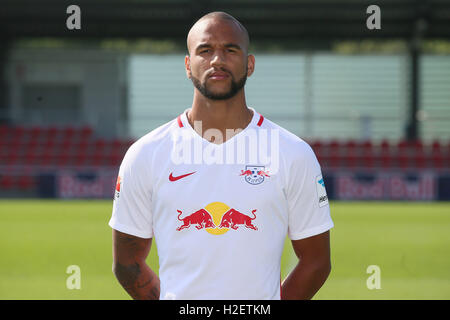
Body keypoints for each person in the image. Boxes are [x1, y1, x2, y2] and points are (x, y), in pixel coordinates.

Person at [109, 11, 333, 300]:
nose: (217, 59)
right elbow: (127, 264)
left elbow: (316, 263)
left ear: (249, 64)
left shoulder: (292, 153)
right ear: (188, 66)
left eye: (230, 49)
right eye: (205, 50)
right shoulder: (146, 154)